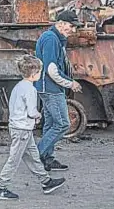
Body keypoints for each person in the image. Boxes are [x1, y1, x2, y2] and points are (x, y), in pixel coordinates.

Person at [0, 55, 66, 200]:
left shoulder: (19, 86)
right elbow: (31, 112)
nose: (40, 74)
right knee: (14, 159)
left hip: (19, 127)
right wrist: (38, 116)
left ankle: (46, 182)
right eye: (40, 72)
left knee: (33, 157)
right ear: (34, 73)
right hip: (22, 130)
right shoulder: (30, 89)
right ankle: (0, 187)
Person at [34, 10, 83, 172]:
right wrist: (70, 83)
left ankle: (47, 159)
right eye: (71, 26)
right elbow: (52, 69)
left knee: (50, 124)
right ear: (60, 23)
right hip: (51, 88)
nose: (73, 30)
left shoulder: (55, 38)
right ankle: (36, 155)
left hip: (49, 87)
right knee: (62, 124)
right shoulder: (51, 39)